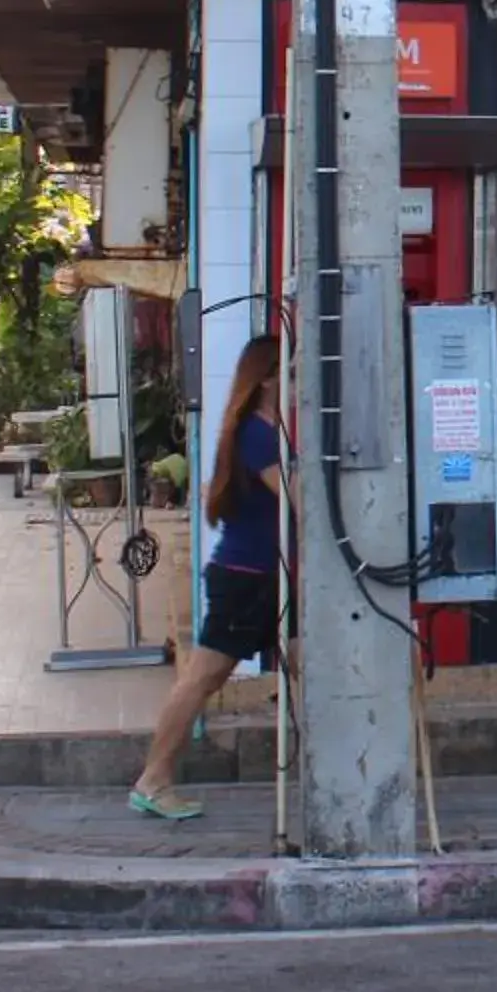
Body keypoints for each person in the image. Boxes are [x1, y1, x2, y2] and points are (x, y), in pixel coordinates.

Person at [132, 333, 289, 820]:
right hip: (246, 578)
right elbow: (298, 501)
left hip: (268, 577)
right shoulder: (257, 435)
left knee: (314, 666)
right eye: (291, 367)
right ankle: (153, 780)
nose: (297, 375)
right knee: (201, 680)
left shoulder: (266, 427)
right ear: (266, 379)